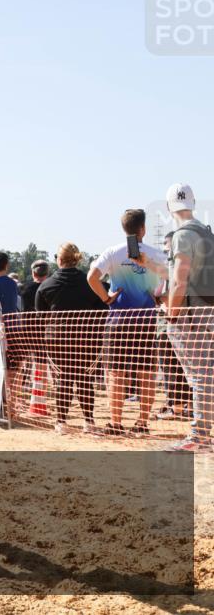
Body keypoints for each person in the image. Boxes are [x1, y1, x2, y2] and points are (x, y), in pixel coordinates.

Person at [87, 209, 167, 436]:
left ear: (124, 229)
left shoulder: (112, 252)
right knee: (146, 373)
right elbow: (170, 278)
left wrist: (106, 298)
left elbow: (91, 277)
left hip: (118, 320)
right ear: (143, 229)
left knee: (116, 373)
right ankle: (142, 423)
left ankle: (115, 423)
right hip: (146, 320)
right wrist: (158, 296)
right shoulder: (156, 253)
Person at [162, 183, 214, 452]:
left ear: (169, 207)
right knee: (208, 374)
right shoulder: (207, 233)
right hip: (208, 311)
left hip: (191, 316)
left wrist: (171, 315)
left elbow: (179, 280)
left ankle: (200, 435)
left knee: (199, 377)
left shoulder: (182, 236)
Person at [35, 243, 107, 435]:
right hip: (87, 339)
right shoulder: (90, 282)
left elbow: (41, 316)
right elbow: (103, 310)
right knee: (85, 379)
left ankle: (61, 422)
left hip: (57, 340)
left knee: (63, 379)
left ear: (59, 260)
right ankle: (89, 422)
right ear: (76, 259)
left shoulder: (46, 285)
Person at [154, 231, 191, 421]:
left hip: (170, 324)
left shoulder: (173, 271)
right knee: (186, 368)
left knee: (172, 367)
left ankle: (175, 407)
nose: (165, 252)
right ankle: (189, 406)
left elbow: (163, 294)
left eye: (167, 248)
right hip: (185, 325)